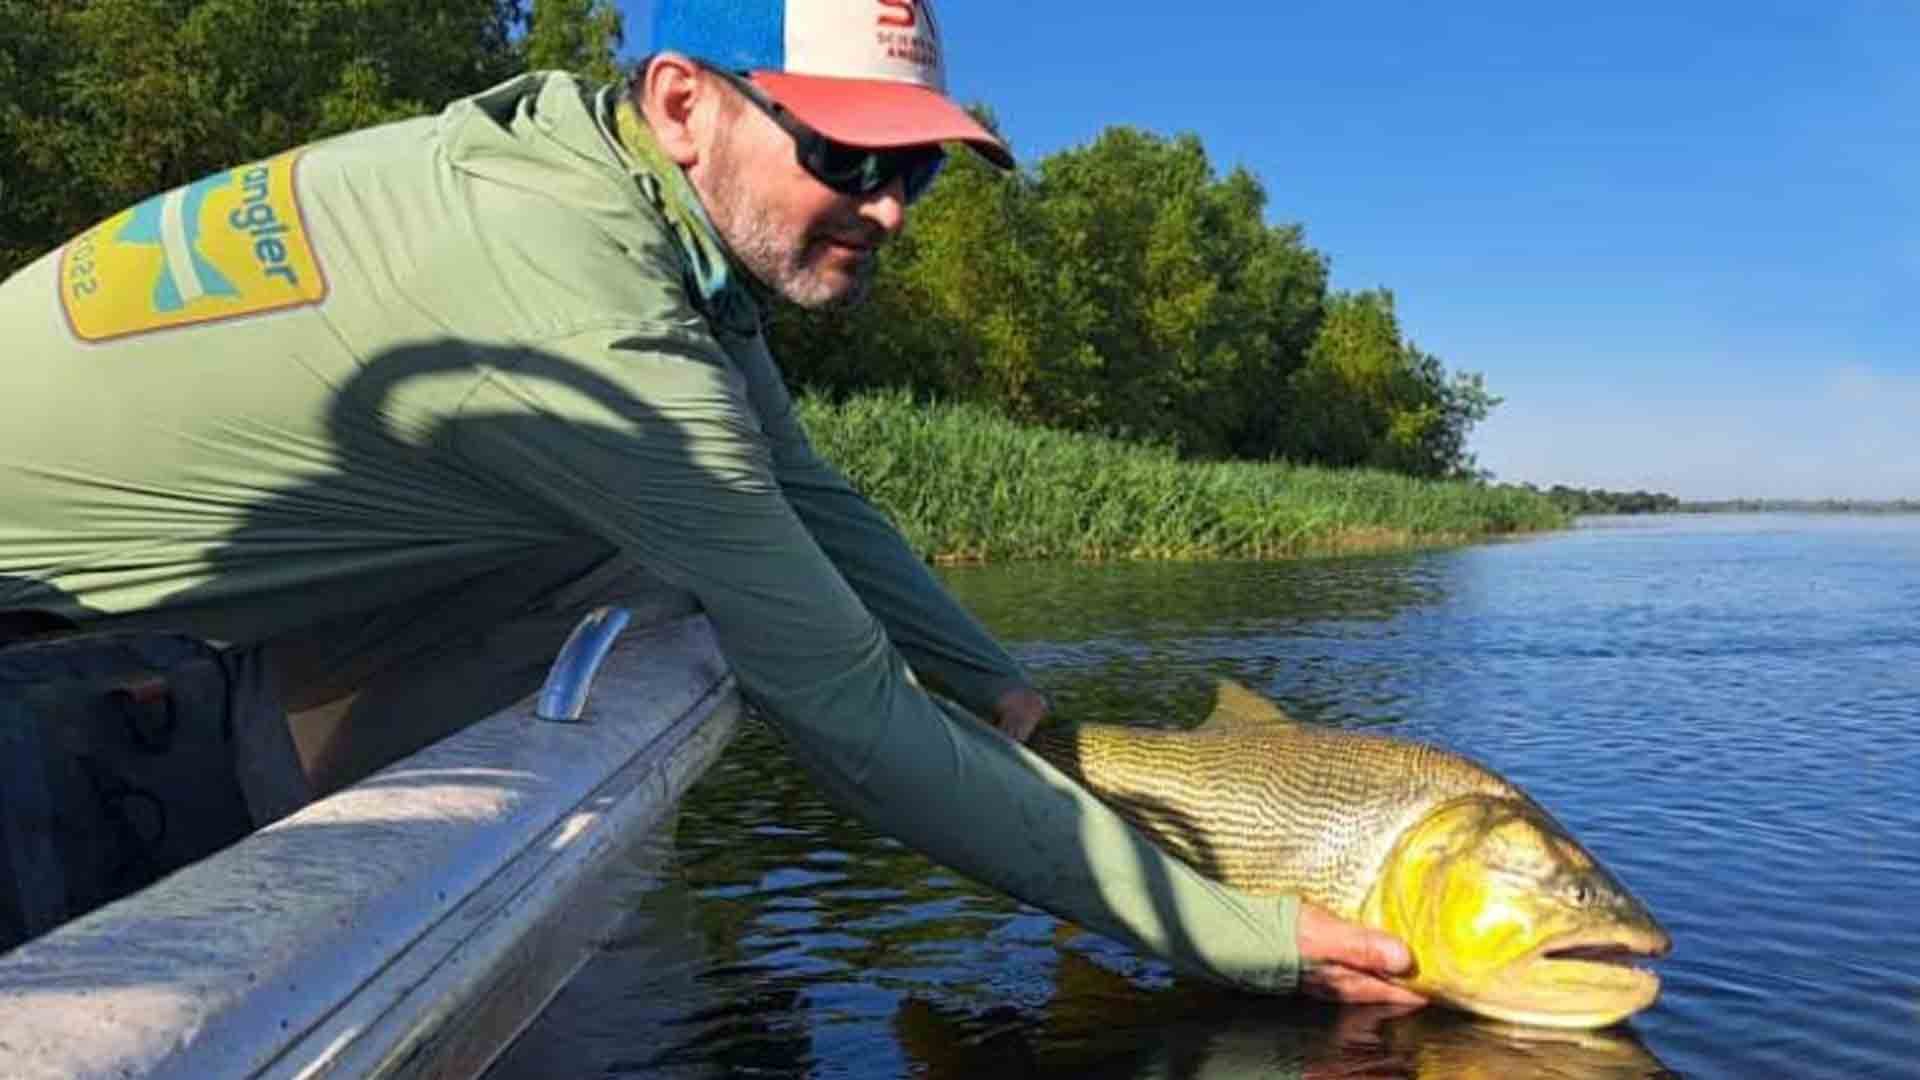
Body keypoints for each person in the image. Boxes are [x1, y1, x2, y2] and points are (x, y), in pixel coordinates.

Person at [0, 0, 1419, 1006]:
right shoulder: (582, 310)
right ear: (685, 101)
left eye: (915, 166)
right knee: (677, 572)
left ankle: (278, 752)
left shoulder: (598, 189)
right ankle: (282, 794)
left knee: (676, 543)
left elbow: (812, 490)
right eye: (851, 160)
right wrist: (1251, 940)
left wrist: (1010, 703)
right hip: (37, 630)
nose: (893, 211)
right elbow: (850, 717)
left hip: (110, 608)